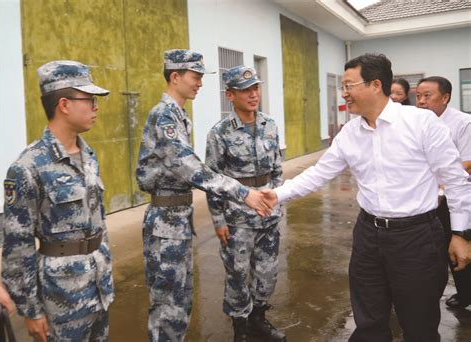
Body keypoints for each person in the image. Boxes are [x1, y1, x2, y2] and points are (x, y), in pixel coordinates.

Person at [261, 53, 471, 341]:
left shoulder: (421, 123)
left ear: (375, 85)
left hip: (417, 238)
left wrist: (460, 233)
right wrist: (277, 194)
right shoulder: (350, 133)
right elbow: (319, 173)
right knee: (369, 321)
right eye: (342, 87)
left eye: (349, 85)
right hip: (368, 237)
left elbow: (456, 181)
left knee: (418, 323)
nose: (344, 94)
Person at [136, 50, 271, 342]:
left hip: (177, 219)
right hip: (165, 222)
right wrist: (241, 191)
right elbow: (190, 167)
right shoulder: (164, 116)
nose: (199, 83)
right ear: (175, 76)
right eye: (195, 77)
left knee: (179, 303)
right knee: (168, 308)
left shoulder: (178, 114)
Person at [2, 60, 114, 342]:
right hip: (61, 295)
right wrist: (31, 310)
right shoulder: (28, 166)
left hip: (99, 287)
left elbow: (98, 220)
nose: (95, 106)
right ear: (64, 104)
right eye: (88, 99)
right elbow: (19, 245)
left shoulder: (89, 156)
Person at [205, 66, 285, 342]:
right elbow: (212, 179)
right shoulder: (220, 133)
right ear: (230, 95)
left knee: (267, 272)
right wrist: (218, 221)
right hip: (237, 218)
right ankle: (240, 328)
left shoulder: (269, 124)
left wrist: (277, 199)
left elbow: (277, 168)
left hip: (268, 212)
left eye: (255, 88)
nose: (253, 95)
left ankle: (258, 320)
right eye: (245, 90)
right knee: (238, 274)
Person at [416, 76, 471, 309]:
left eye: (427, 96)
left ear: (445, 97)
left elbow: (468, 161)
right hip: (429, 197)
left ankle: (467, 294)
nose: (420, 101)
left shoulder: (463, 123)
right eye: (417, 96)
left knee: (459, 245)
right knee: (435, 249)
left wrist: (439, 182)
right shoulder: (418, 122)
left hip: (455, 195)